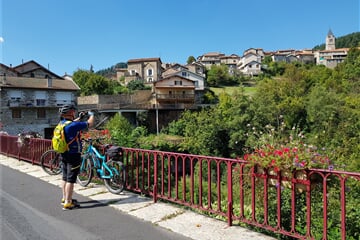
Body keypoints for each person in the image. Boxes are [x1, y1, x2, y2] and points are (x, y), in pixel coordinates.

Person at [58, 104, 95, 210]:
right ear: (71, 113)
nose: (74, 113)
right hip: (73, 155)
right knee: (71, 179)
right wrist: (92, 115)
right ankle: (68, 202)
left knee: (65, 177)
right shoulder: (73, 126)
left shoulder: (62, 124)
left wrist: (81, 117)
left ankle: (65, 198)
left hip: (64, 153)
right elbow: (90, 124)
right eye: (73, 112)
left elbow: (73, 123)